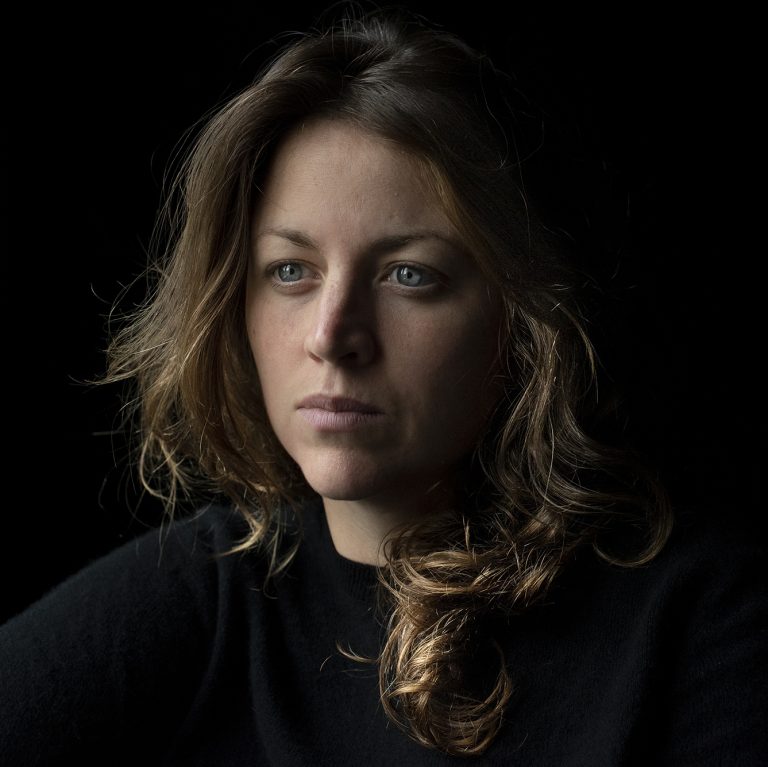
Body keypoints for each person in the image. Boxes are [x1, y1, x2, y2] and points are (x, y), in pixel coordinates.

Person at [2, 6, 766, 765]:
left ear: (526, 316)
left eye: (409, 275)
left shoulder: (699, 613)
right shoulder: (212, 590)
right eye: (291, 270)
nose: (332, 334)